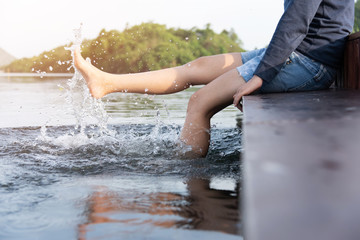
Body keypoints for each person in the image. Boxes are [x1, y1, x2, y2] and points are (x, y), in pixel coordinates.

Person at [74, 0, 354, 157]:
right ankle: (107, 83)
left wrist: (260, 76)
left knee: (200, 102)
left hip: (310, 61)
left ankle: (188, 180)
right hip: (298, 50)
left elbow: (296, 23)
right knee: (199, 65)